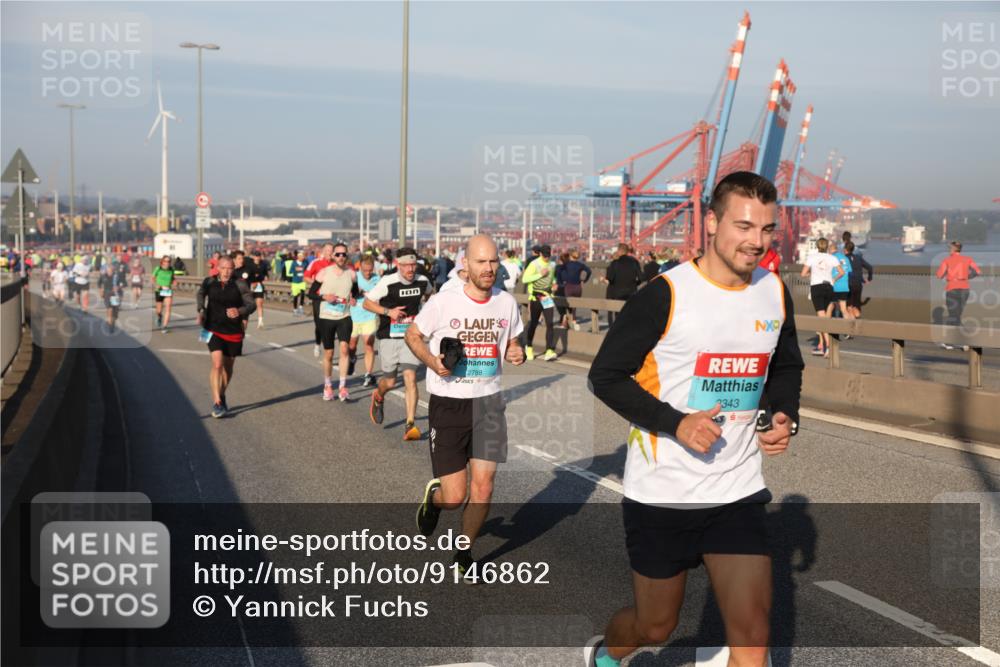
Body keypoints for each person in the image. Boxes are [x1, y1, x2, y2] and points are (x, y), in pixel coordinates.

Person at [585, 171, 804, 667]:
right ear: (711, 221)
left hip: (736, 489)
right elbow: (606, 376)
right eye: (744, 227)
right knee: (655, 625)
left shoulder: (774, 291)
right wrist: (676, 423)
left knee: (751, 641)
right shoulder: (665, 294)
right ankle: (606, 654)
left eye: (767, 229)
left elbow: (785, 363)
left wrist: (782, 412)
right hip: (663, 493)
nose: (757, 242)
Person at [408, 235, 525, 579]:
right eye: (481, 262)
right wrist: (432, 361)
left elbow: (512, 340)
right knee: (456, 496)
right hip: (449, 405)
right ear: (466, 265)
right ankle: (436, 498)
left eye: (493, 262)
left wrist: (515, 351)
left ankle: (463, 551)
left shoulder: (506, 303)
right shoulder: (445, 302)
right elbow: (413, 335)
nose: (488, 269)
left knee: (484, 486)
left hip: (489, 403)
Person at [364, 247, 433, 441]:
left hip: (411, 337)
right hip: (389, 336)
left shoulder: (423, 281)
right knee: (391, 381)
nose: (411, 269)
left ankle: (410, 424)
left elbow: (430, 296)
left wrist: (425, 314)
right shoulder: (388, 282)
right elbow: (367, 303)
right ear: (398, 265)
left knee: (410, 377)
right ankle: (378, 395)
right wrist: (389, 312)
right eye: (406, 265)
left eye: (413, 265)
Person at [196, 256, 256, 418]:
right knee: (217, 364)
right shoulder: (209, 282)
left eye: (230, 268)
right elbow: (201, 294)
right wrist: (201, 310)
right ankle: (217, 402)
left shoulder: (240, 284)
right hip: (211, 328)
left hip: (233, 331)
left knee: (228, 368)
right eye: (224, 268)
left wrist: (240, 311)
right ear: (218, 268)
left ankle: (221, 394)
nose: (227, 272)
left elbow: (252, 304)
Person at [314, 243, 358, 402]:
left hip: (344, 316)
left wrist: (353, 299)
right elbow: (311, 293)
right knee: (329, 353)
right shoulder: (324, 273)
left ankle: (343, 387)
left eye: (343, 254)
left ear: (347, 256)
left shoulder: (352, 274)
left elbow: (356, 293)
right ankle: (327, 385)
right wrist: (324, 297)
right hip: (326, 317)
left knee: (345, 349)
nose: (341, 257)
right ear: (333, 256)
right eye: (338, 254)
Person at [800, 238, 843, 356]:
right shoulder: (832, 258)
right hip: (829, 287)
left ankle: (827, 347)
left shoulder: (812, 257)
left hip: (817, 288)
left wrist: (812, 273)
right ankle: (822, 344)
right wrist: (833, 279)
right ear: (827, 246)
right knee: (826, 318)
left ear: (817, 246)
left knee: (821, 319)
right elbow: (842, 272)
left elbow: (803, 274)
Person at [936, 241, 981, 348]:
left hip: (952, 290)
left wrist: (948, 273)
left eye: (949, 248)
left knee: (953, 315)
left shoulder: (947, 260)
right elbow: (978, 272)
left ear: (952, 249)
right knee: (956, 315)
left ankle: (963, 340)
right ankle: (955, 341)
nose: (948, 250)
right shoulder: (968, 259)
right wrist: (966, 276)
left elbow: (939, 275)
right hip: (965, 290)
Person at [521, 244, 558, 361]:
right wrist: (539, 274)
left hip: (547, 297)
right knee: (534, 323)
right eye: (545, 255)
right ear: (541, 254)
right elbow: (524, 279)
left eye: (548, 255)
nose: (547, 258)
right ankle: (529, 346)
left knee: (550, 323)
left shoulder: (552, 265)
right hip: (535, 297)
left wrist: (554, 284)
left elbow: (553, 278)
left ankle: (549, 351)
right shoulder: (534, 264)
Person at [349, 255, 380, 388]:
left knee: (369, 345)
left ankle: (368, 374)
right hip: (354, 316)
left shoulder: (377, 279)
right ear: (360, 267)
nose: (367, 273)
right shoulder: (354, 277)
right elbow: (346, 292)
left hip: (369, 316)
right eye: (365, 270)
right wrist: (350, 298)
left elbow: (380, 297)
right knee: (352, 345)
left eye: (370, 270)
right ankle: (352, 358)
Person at [305, 243, 335, 358]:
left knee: (331, 325)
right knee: (319, 325)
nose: (329, 252)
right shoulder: (316, 263)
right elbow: (306, 276)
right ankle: (318, 344)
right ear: (323, 251)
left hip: (332, 298)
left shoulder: (337, 264)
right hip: (319, 298)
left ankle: (328, 351)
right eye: (327, 250)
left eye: (331, 250)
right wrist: (317, 284)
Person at [604, 243, 642, 327]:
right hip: (632, 292)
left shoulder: (615, 263)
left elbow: (610, 278)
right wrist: (635, 283)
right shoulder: (635, 262)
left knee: (618, 315)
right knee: (629, 314)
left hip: (618, 293)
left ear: (619, 251)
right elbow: (641, 277)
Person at [561, 249, 592, 330]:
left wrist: (563, 279)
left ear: (570, 256)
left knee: (567, 304)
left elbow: (560, 272)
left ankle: (566, 320)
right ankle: (574, 321)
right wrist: (584, 280)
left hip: (569, 286)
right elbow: (589, 271)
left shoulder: (566, 264)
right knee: (574, 305)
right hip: (578, 287)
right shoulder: (580, 265)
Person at [844, 241, 873, 320]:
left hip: (849, 285)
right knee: (856, 306)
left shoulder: (843, 259)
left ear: (845, 249)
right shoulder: (858, 258)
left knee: (849, 306)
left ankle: (852, 329)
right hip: (858, 285)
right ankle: (858, 323)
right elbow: (870, 268)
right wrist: (869, 279)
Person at [829, 240, 854, 324]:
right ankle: (848, 330)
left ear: (830, 250)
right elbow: (849, 271)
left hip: (834, 286)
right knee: (843, 309)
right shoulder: (845, 258)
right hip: (844, 287)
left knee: (830, 307)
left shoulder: (831, 258)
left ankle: (824, 328)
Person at [152, 255, 176, 333]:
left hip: (168, 290)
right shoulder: (158, 268)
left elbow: (173, 278)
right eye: (165, 261)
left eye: (169, 261)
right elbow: (153, 278)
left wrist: (174, 282)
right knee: (159, 310)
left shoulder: (171, 269)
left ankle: (164, 326)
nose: (167, 263)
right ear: (162, 262)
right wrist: (157, 284)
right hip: (159, 291)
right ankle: (159, 316)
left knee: (168, 308)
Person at [98, 263, 124, 333]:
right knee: (109, 309)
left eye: (111, 270)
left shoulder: (116, 276)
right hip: (107, 294)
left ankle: (113, 320)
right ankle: (110, 325)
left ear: (113, 270)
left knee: (115, 313)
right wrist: (101, 291)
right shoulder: (103, 276)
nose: (110, 272)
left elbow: (122, 284)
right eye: (108, 270)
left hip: (115, 295)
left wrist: (118, 287)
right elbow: (99, 283)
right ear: (106, 270)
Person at [250, 249, 269, 328]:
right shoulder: (249, 264)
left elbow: (266, 274)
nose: (257, 258)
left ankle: (260, 321)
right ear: (253, 257)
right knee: (249, 304)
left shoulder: (263, 264)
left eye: (258, 256)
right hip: (249, 285)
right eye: (256, 256)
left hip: (258, 285)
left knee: (259, 303)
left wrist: (266, 277)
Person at [286, 249, 308, 317]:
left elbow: (307, 270)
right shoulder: (294, 263)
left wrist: (305, 274)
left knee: (302, 293)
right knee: (295, 296)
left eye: (303, 256)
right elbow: (290, 271)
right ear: (299, 257)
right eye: (302, 256)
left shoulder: (305, 263)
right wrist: (296, 272)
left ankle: (301, 307)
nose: (303, 257)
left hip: (302, 281)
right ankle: (295, 309)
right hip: (295, 281)